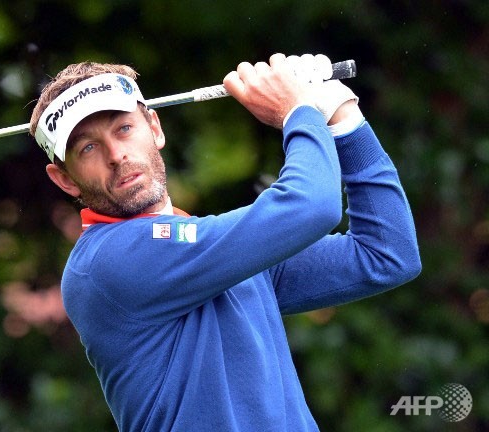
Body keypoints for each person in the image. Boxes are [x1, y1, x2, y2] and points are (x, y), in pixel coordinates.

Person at [29, 53, 421, 431]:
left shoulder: (218, 251)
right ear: (64, 179)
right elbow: (312, 206)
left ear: (155, 128)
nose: (116, 155)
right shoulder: (107, 261)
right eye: (88, 148)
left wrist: (343, 117)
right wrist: (298, 111)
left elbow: (386, 254)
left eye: (123, 129)